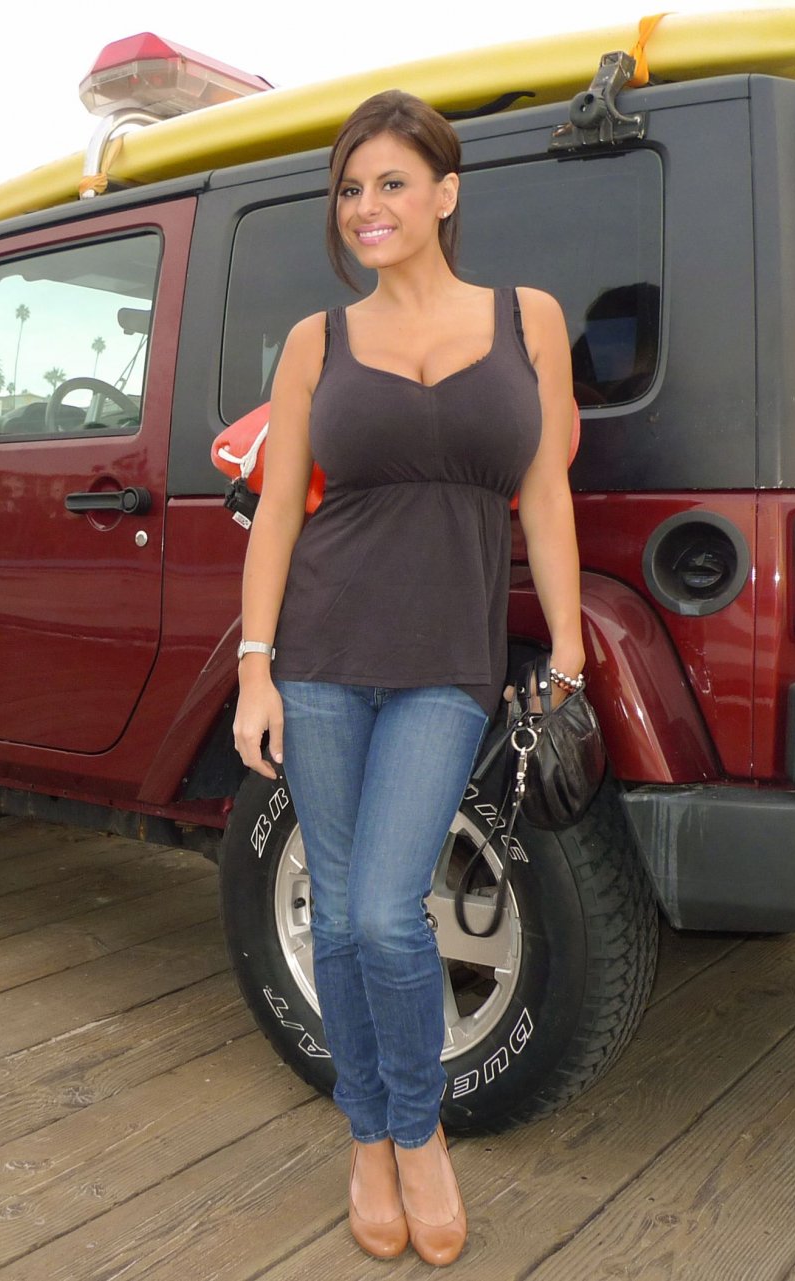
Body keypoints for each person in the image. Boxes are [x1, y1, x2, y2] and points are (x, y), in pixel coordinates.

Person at [232, 89, 586, 1267]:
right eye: (350, 189)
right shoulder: (314, 343)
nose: (367, 207)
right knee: (339, 913)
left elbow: (544, 495)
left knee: (387, 912)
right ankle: (370, 1137)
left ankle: (416, 1133)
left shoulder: (527, 318)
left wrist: (572, 645)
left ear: (446, 192)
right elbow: (279, 512)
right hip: (322, 654)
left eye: (391, 182)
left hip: (448, 663)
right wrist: (254, 669)